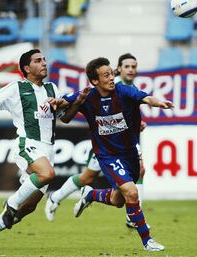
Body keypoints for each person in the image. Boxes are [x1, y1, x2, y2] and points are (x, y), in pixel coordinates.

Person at [55, 57, 174, 251]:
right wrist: (56, 101)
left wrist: (158, 103)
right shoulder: (87, 96)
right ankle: (147, 240)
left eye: (111, 73)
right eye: (106, 75)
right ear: (95, 81)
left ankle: (90, 194)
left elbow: (145, 97)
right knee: (132, 192)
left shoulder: (124, 91)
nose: (112, 78)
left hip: (129, 153)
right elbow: (63, 105)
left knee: (118, 200)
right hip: (108, 155)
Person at [0, 49, 70, 250]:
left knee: (28, 207)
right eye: (38, 61)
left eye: (44, 59)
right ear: (27, 68)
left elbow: (65, 116)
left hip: (49, 148)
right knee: (47, 174)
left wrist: (76, 101)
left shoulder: (53, 88)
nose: (44, 63)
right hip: (28, 142)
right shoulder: (17, 87)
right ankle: (10, 203)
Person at [44, 54, 148, 230]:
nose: (131, 70)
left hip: (123, 143)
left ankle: (130, 214)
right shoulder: (113, 86)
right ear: (118, 69)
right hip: (107, 145)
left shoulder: (130, 87)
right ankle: (56, 197)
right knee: (87, 177)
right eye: (127, 66)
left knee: (137, 173)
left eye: (134, 66)